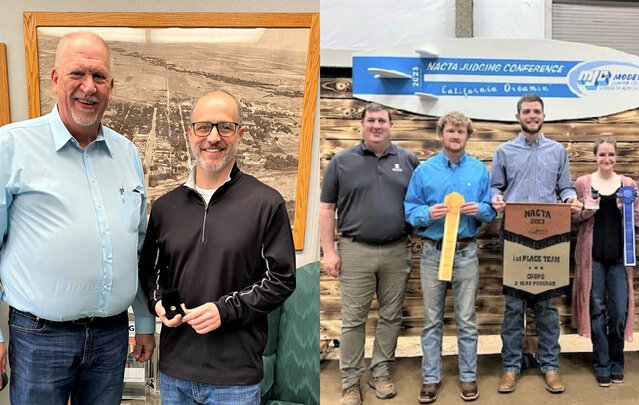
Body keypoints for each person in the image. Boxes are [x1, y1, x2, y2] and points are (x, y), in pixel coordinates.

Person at [0, 32, 155, 404]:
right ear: (55, 79)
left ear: (111, 87)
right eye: (77, 74)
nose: (89, 87)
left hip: (112, 338)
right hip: (39, 339)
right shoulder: (11, 146)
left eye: (99, 77)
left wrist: (146, 322)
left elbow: (135, 248)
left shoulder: (127, 154)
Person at [138, 89, 296, 404]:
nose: (213, 137)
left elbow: (282, 279)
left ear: (240, 134)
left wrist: (224, 311)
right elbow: (153, 271)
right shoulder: (166, 207)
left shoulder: (266, 203)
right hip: (175, 375)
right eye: (204, 127)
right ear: (190, 132)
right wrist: (164, 307)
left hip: (235, 378)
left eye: (225, 127)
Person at [320, 102, 419, 405]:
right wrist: (328, 251)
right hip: (355, 250)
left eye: (383, 121)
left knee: (390, 316)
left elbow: (419, 203)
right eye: (371, 120)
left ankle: (381, 372)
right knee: (353, 320)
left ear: (391, 126)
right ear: (361, 125)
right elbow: (327, 208)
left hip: (396, 250)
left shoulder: (409, 160)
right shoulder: (341, 162)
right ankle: (350, 383)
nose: (377, 125)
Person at [490, 93, 582, 394]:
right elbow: (496, 188)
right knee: (514, 306)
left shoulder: (558, 151)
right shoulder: (504, 151)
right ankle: (510, 367)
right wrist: (497, 199)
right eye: (527, 111)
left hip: (550, 236)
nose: (532, 115)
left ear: (544, 115)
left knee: (547, 306)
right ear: (518, 116)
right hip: (515, 235)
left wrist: (570, 198)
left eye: (537, 111)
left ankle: (551, 366)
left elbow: (565, 186)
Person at [405, 111, 496, 403]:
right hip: (432, 252)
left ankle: (468, 377)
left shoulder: (480, 171)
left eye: (460, 131)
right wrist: (426, 213)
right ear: (441, 134)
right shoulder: (424, 171)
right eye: (450, 131)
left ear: (467, 136)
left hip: (467, 252)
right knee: (432, 319)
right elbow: (410, 211)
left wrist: (479, 210)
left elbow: (491, 210)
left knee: (466, 319)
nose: (455, 136)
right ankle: (431, 378)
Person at [571, 137, 639, 387]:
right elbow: (573, 219)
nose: (606, 159)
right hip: (592, 258)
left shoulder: (629, 184)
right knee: (596, 309)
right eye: (602, 155)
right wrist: (585, 212)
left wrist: (626, 210)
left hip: (621, 257)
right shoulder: (583, 183)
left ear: (616, 157)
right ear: (595, 156)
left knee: (619, 310)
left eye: (611, 154)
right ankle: (601, 362)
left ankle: (617, 360)